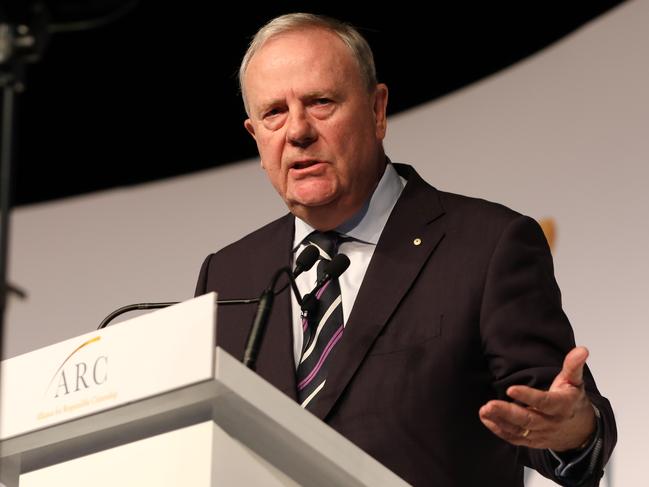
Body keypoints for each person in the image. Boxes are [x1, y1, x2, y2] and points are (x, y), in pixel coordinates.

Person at [195, 13, 615, 486]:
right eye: (274, 112)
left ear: (377, 110)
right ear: (256, 136)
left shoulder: (486, 246)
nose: (297, 132)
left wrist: (573, 431)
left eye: (321, 103)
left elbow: (555, 414)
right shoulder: (228, 275)